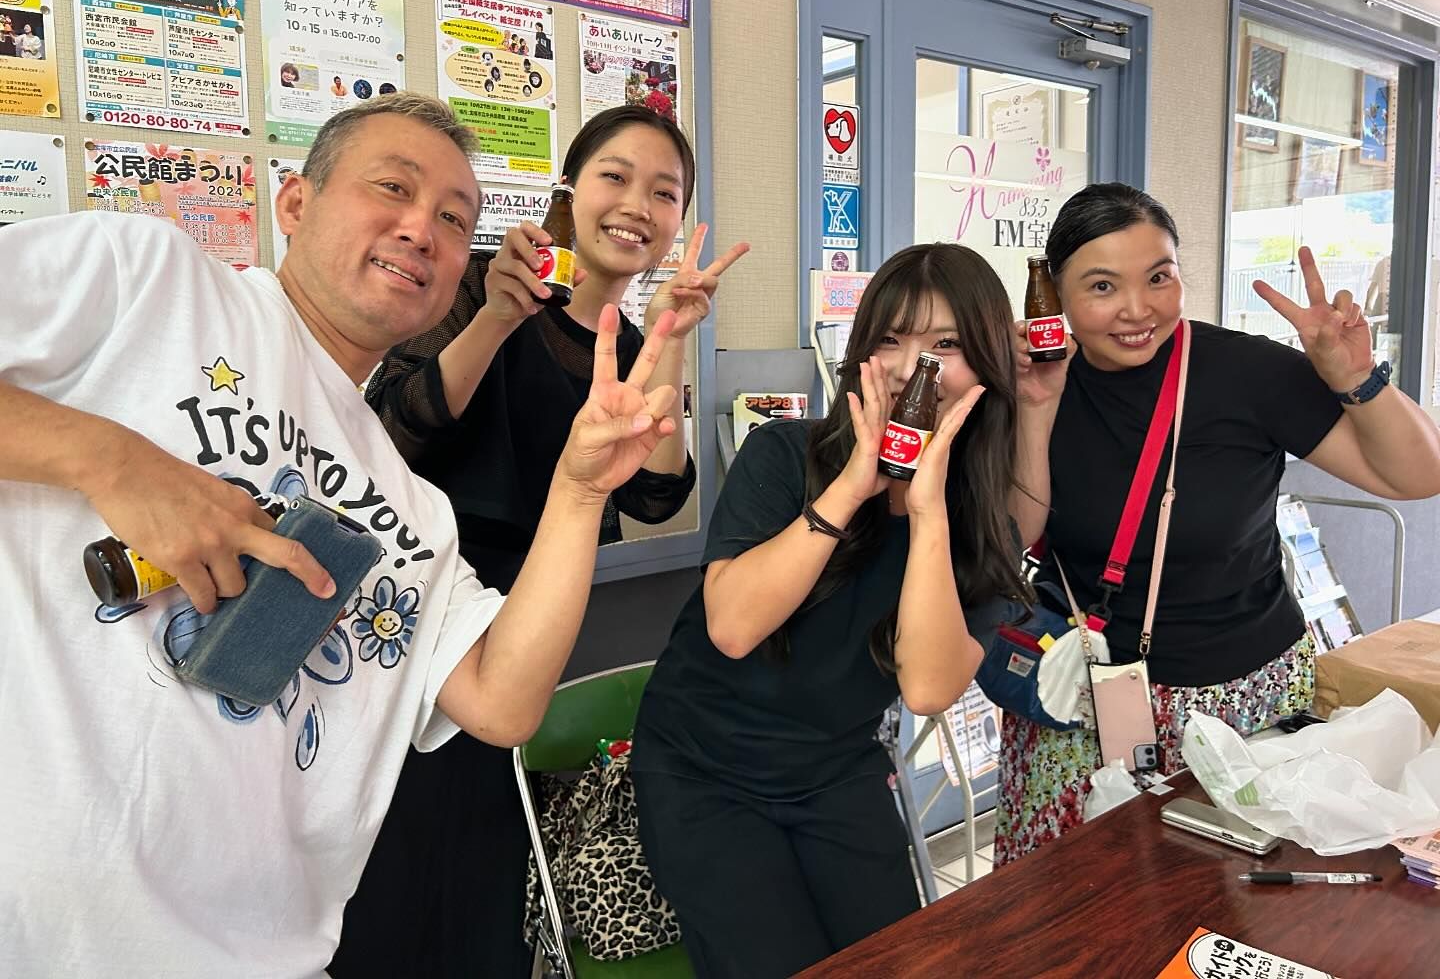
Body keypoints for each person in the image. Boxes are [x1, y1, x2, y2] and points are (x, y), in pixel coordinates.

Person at [0, 94, 682, 975]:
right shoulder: (151, 280)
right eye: (392, 187)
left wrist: (581, 492)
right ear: (296, 202)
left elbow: (503, 701)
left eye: (454, 219)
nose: (422, 228)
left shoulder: (411, 507)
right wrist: (113, 463)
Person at [338, 104, 748, 978]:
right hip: (419, 617)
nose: (636, 204)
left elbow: (655, 494)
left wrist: (672, 339)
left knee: (495, 862)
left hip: (539, 620)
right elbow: (394, 430)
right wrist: (496, 317)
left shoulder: (635, 344)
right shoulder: (481, 285)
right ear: (569, 188)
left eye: (664, 192)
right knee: (397, 865)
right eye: (615, 176)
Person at [997, 182, 1440, 863]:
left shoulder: (1246, 372)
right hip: (1084, 702)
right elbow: (1015, 535)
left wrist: (1357, 376)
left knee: (1238, 903)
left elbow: (1416, 476)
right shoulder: (1034, 379)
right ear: (1053, 292)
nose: (1137, 309)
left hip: (1245, 699)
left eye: (1159, 277)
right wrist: (1034, 407)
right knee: (1077, 904)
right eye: (1103, 286)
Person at [632, 243, 1027, 978]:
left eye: (945, 345)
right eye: (891, 339)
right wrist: (852, 487)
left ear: (988, 366)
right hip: (701, 769)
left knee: (898, 961)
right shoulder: (784, 454)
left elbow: (927, 687)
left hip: (836, 769)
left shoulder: (984, 533)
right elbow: (732, 627)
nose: (911, 369)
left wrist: (928, 512)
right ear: (861, 355)